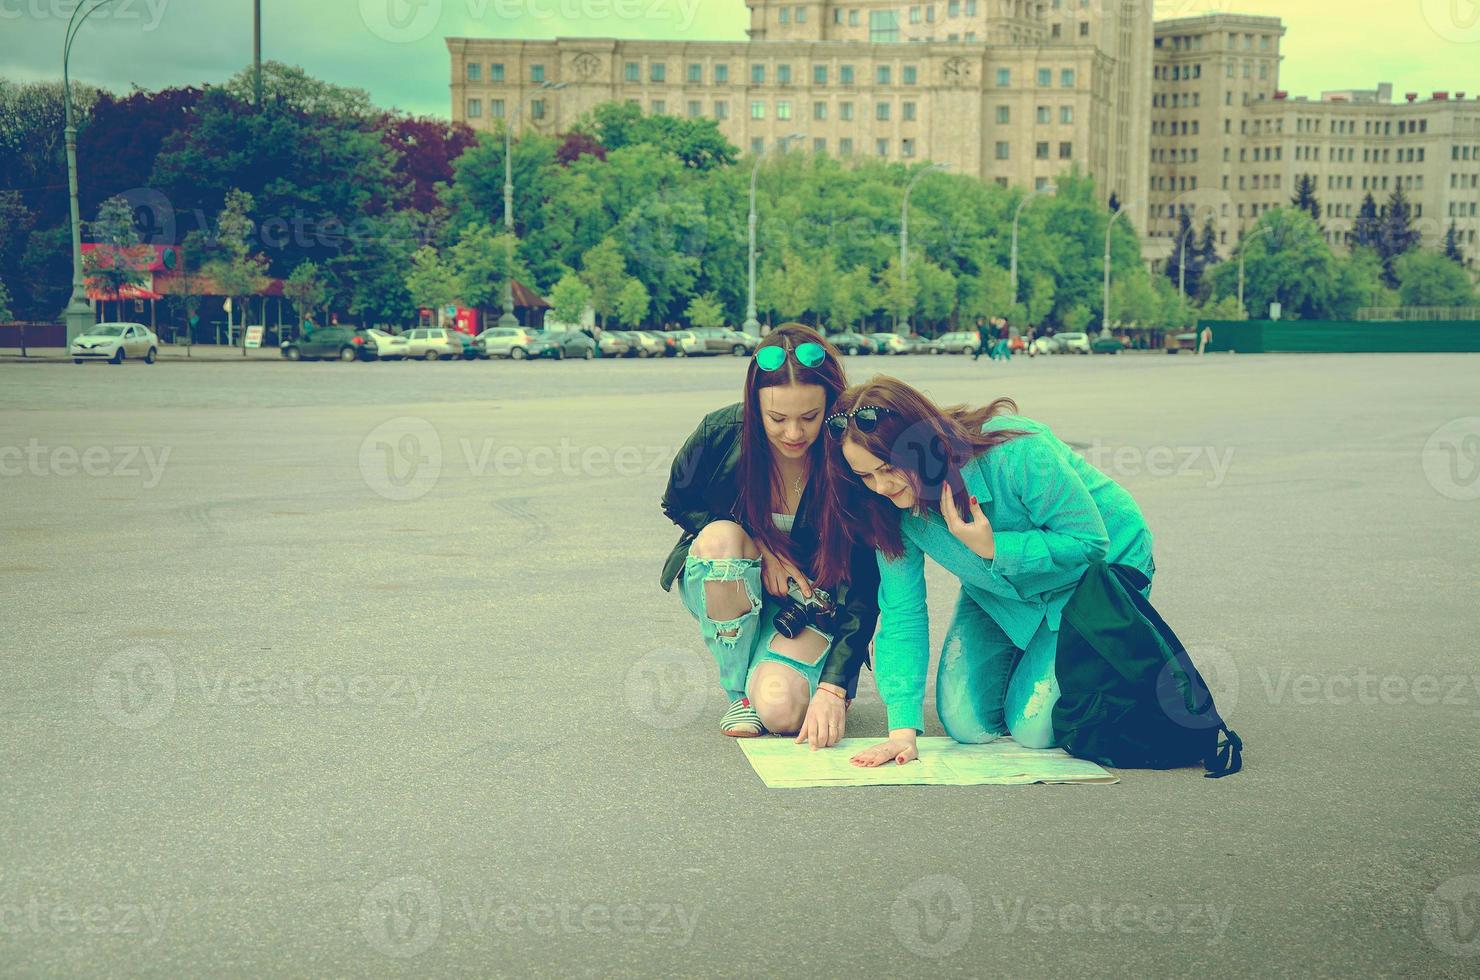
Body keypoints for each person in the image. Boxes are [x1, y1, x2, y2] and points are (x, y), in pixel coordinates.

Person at [822, 376, 1155, 767]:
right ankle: (1034, 651)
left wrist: (994, 546)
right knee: (968, 726)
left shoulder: (1018, 451)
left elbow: (1090, 543)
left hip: (1092, 581)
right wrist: (901, 733)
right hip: (999, 592)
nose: (879, 487)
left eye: (887, 468)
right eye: (865, 476)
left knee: (1033, 730)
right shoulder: (888, 507)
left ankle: (1125, 646)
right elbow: (902, 613)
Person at [659, 324, 880, 746]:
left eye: (810, 418)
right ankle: (738, 693)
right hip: (732, 585)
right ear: (754, 404)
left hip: (811, 609)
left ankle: (785, 680)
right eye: (777, 418)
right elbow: (678, 501)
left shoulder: (853, 456)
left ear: (831, 407)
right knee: (721, 540)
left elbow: (866, 586)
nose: (793, 434)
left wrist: (837, 683)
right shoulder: (721, 433)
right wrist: (759, 547)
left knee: (781, 713)